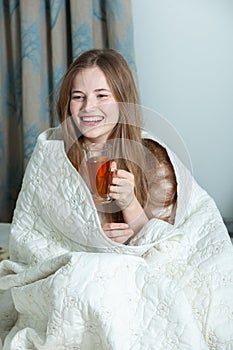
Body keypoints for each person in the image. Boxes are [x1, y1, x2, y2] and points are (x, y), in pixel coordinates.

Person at [0, 49, 233, 349]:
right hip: (76, 263)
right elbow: (35, 236)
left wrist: (130, 206)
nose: (88, 107)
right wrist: (90, 240)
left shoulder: (152, 155)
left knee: (123, 278)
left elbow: (170, 244)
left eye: (101, 95)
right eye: (78, 97)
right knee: (83, 280)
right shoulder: (52, 156)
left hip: (135, 264)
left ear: (121, 100)